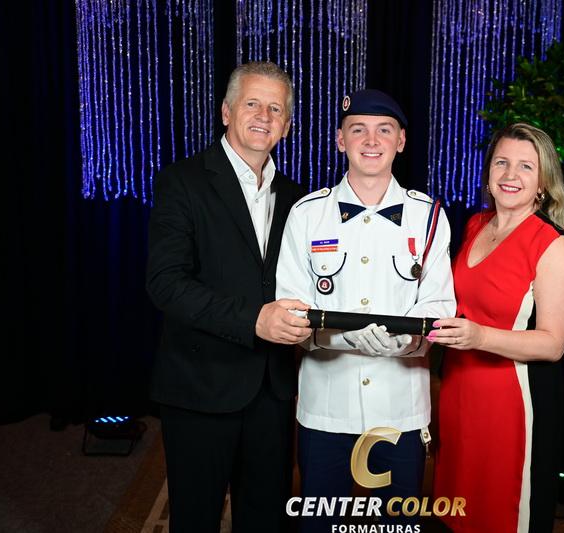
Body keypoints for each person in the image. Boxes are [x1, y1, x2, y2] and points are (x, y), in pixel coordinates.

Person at [276, 89, 457, 532]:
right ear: (341, 140)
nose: (371, 141)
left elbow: (439, 305)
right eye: (358, 130)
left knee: (394, 525)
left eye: (384, 130)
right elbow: (290, 307)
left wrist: (407, 341)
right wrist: (337, 337)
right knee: (320, 524)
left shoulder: (429, 216)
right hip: (326, 406)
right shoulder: (306, 214)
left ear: (401, 141)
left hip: (400, 409)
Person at [146, 61, 312, 533]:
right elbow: (165, 283)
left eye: (275, 109)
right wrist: (253, 320)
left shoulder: (298, 198)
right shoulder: (182, 181)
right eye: (252, 104)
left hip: (272, 391)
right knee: (196, 519)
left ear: (287, 125)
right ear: (226, 112)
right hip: (200, 386)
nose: (263, 116)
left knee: (265, 519)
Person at [430, 123, 564, 533]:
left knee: (501, 515)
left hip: (513, 407)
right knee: (456, 513)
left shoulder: (555, 247)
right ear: (488, 172)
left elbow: (553, 344)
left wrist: (479, 336)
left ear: (543, 182)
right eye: (502, 162)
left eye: (526, 167)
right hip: (459, 393)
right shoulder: (475, 225)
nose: (510, 175)